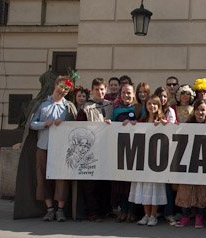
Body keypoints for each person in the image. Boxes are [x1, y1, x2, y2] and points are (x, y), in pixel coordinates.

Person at [30, 76, 78, 222]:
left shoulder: (68, 107)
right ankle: (49, 209)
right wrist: (45, 124)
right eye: (61, 86)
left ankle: (60, 210)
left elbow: (74, 125)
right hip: (43, 146)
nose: (63, 90)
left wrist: (63, 123)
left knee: (61, 178)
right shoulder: (42, 104)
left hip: (61, 149)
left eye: (66, 89)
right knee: (42, 177)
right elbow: (32, 123)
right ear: (56, 85)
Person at [174, 99, 206, 229]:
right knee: (186, 190)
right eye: (198, 110)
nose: (200, 112)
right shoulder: (187, 124)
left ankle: (199, 218)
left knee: (202, 191)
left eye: (203, 110)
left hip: (204, 162)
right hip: (189, 162)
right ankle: (185, 217)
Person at [76, 78, 113, 221]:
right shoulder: (86, 107)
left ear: (106, 90)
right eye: (97, 89)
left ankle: (106, 209)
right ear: (92, 91)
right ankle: (92, 211)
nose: (100, 92)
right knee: (91, 183)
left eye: (102, 89)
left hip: (107, 149)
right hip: (91, 151)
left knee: (105, 182)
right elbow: (80, 128)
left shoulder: (111, 105)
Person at [128, 95, 168, 226]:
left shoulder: (163, 120)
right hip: (143, 159)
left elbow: (174, 128)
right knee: (143, 187)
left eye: (154, 104)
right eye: (149, 104)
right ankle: (146, 215)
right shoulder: (143, 120)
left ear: (159, 106)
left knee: (154, 187)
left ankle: (153, 216)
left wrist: (165, 125)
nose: (152, 106)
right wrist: (130, 125)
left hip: (156, 161)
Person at [111, 83, 143, 223]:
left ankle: (132, 211)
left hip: (136, 150)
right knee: (122, 183)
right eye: (124, 93)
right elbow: (111, 127)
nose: (126, 95)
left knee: (133, 183)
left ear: (133, 94)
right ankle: (123, 210)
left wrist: (136, 123)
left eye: (129, 93)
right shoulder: (116, 110)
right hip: (121, 150)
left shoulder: (139, 108)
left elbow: (145, 124)